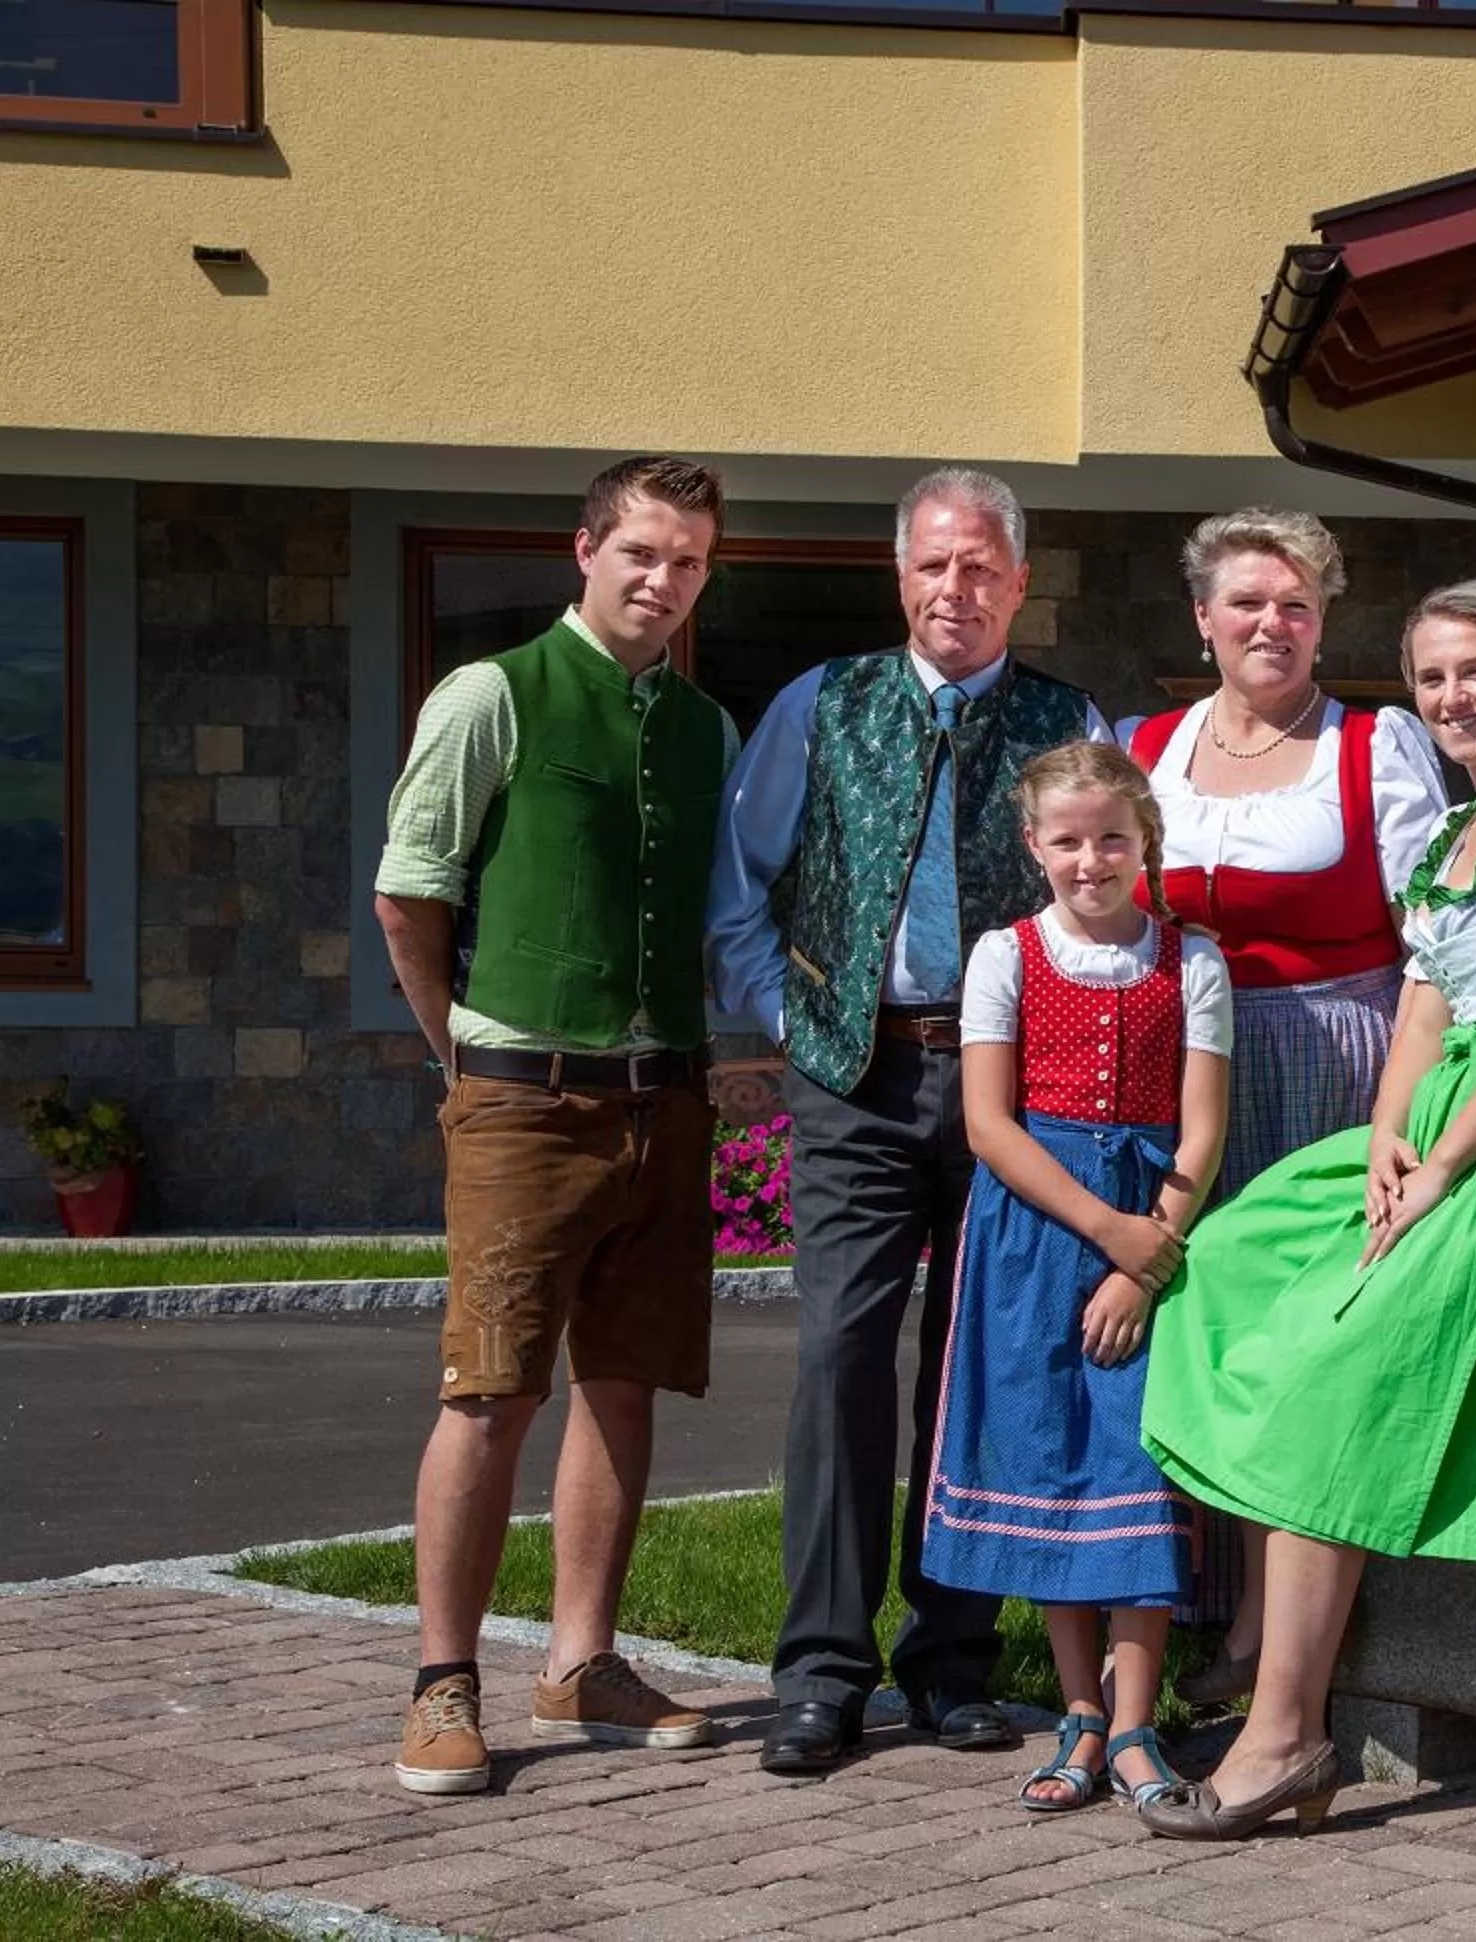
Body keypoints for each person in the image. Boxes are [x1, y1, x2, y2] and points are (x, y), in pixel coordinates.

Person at [1135, 580, 1476, 1839]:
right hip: (1443, 1120)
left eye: (1475, 670)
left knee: (1338, 1356)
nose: (1450, 698)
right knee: (1230, 1262)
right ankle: (1261, 1637)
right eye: (1429, 678)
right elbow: (1422, 1012)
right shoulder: (1456, 834)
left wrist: (1444, 1167)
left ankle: (1283, 1736)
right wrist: (1386, 1141)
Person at [707, 468, 1125, 1778]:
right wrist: (791, 1018)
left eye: (985, 567)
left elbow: (1110, 895)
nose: (960, 589)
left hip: (1015, 1086)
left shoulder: (1068, 722)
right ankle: (821, 1670)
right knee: (840, 1352)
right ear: (902, 577)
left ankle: (951, 1659)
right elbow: (743, 887)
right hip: (858, 1074)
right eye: (937, 566)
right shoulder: (822, 703)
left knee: (979, 1363)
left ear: (1019, 581)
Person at [372, 455, 735, 1797]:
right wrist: (460, 1047)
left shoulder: (705, 728)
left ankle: (585, 1658)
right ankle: (441, 1677)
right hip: (525, 1093)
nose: (663, 577)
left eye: (689, 558)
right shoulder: (493, 692)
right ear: (583, 548)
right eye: (641, 549)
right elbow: (411, 890)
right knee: (490, 1385)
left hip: (665, 1094)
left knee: (624, 1378)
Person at [1122, 508, 1448, 1699]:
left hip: (1336, 1060)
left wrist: (1402, 1109)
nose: (1274, 621)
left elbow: (1439, 949)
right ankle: (1190, 1607)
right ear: (1203, 619)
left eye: (1298, 604)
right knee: (1197, 1322)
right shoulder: (1145, 742)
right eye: (1249, 601)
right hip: (1182, 1067)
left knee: (1305, 1335)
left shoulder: (1375, 746)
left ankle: (1273, 1632)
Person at [919, 742, 1232, 1814]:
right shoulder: (1004, 954)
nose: (1090, 859)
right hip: (1035, 1231)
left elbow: (1204, 1123)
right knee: (1051, 1461)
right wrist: (1103, 1226)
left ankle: (1138, 1721)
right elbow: (987, 1122)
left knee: (1134, 1469)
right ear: (1033, 847)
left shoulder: (1191, 959)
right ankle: (1080, 1715)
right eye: (1067, 840)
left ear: (1146, 836)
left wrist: (1149, 1253)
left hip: (1153, 1229)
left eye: (1111, 837)